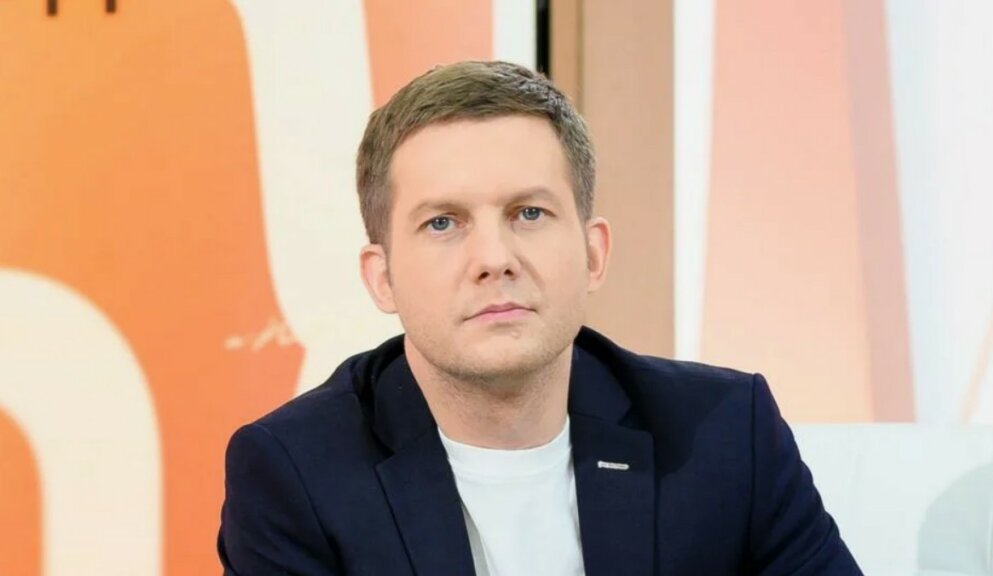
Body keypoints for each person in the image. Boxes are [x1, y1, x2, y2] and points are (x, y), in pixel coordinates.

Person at [218, 60, 862, 575]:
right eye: (443, 223)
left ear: (593, 253)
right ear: (382, 277)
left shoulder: (726, 433)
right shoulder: (295, 472)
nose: (494, 259)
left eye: (529, 213)